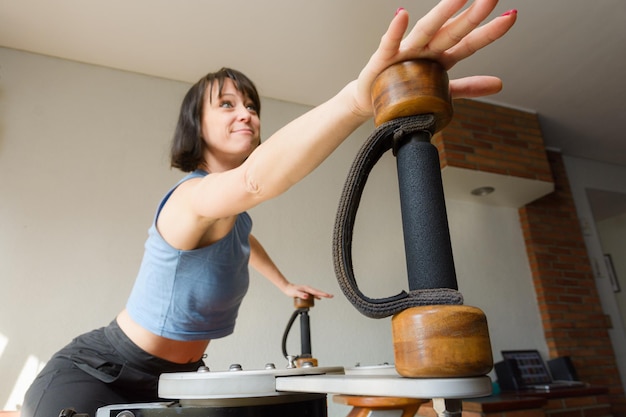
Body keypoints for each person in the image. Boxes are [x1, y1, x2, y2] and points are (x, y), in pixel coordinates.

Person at [22, 1, 517, 416]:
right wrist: (356, 98)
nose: (247, 114)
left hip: (178, 379)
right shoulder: (191, 199)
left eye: (252, 105)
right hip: (96, 373)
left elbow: (244, 236)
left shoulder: (229, 216)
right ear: (196, 125)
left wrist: (283, 283)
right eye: (227, 105)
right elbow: (255, 181)